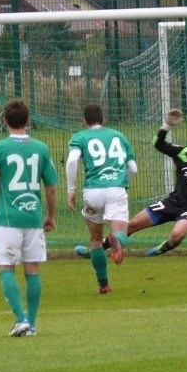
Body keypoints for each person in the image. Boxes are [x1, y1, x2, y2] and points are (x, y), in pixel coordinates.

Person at [76, 109, 187, 258]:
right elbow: (158, 144)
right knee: (131, 224)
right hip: (172, 202)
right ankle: (95, 250)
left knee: (176, 236)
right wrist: (166, 126)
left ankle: (163, 248)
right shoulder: (184, 153)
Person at [0, 99, 58, 337]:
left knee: (6, 267)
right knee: (32, 269)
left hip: (8, 219)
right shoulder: (41, 148)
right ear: (28, 121)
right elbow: (51, 186)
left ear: (5, 121)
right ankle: (32, 325)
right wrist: (51, 215)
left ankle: (20, 319)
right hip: (33, 218)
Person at [66, 103, 137, 294]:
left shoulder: (80, 136)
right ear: (103, 119)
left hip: (93, 191)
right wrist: (119, 179)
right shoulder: (118, 136)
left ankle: (104, 285)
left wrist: (70, 190)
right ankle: (116, 240)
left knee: (96, 239)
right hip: (116, 188)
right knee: (121, 232)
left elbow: (72, 160)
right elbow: (133, 168)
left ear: (85, 120)